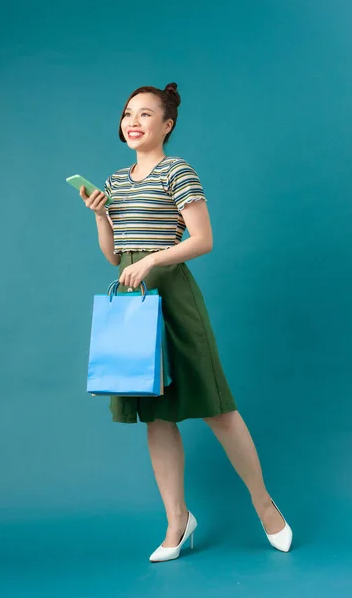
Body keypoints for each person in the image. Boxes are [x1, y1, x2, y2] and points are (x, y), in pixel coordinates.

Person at [80, 82, 293, 562]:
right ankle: (178, 519)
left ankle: (264, 504)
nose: (133, 122)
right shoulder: (114, 182)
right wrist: (100, 218)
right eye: (128, 114)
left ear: (167, 125)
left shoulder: (179, 171)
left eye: (146, 115)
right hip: (133, 297)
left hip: (172, 293)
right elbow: (115, 255)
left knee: (216, 406)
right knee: (155, 411)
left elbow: (203, 239)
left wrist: (152, 261)